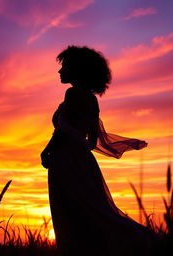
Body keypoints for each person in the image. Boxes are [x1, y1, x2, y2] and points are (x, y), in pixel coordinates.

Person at [41, 46, 156, 256]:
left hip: (65, 159)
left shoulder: (72, 93)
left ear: (76, 69)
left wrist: (47, 151)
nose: (60, 71)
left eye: (64, 66)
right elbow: (92, 140)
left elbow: (63, 131)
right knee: (93, 208)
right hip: (83, 161)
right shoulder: (92, 99)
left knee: (70, 211)